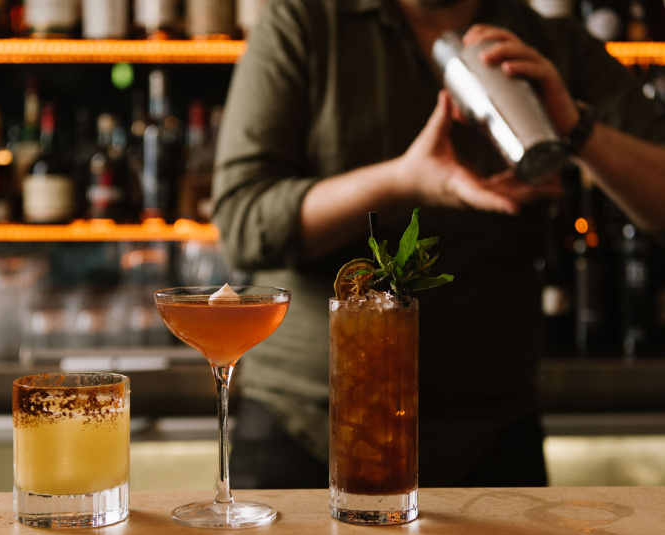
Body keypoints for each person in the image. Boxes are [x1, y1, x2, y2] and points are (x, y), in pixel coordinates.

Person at [211, 0, 665, 489]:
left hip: (492, 433)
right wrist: (402, 181)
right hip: (307, 426)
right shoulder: (304, 23)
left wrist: (576, 127)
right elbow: (241, 221)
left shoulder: (553, 43)